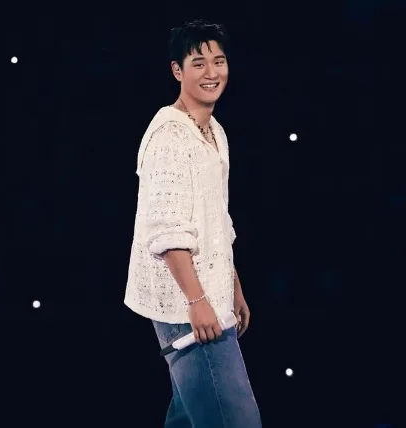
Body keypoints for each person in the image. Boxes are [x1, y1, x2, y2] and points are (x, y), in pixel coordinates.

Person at [124, 19, 262, 427]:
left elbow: (216, 220)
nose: (211, 72)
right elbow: (167, 231)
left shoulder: (213, 131)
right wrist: (198, 301)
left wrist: (232, 285)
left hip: (209, 296)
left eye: (219, 61)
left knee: (188, 418)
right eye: (198, 63)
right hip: (187, 304)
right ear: (177, 70)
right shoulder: (170, 136)